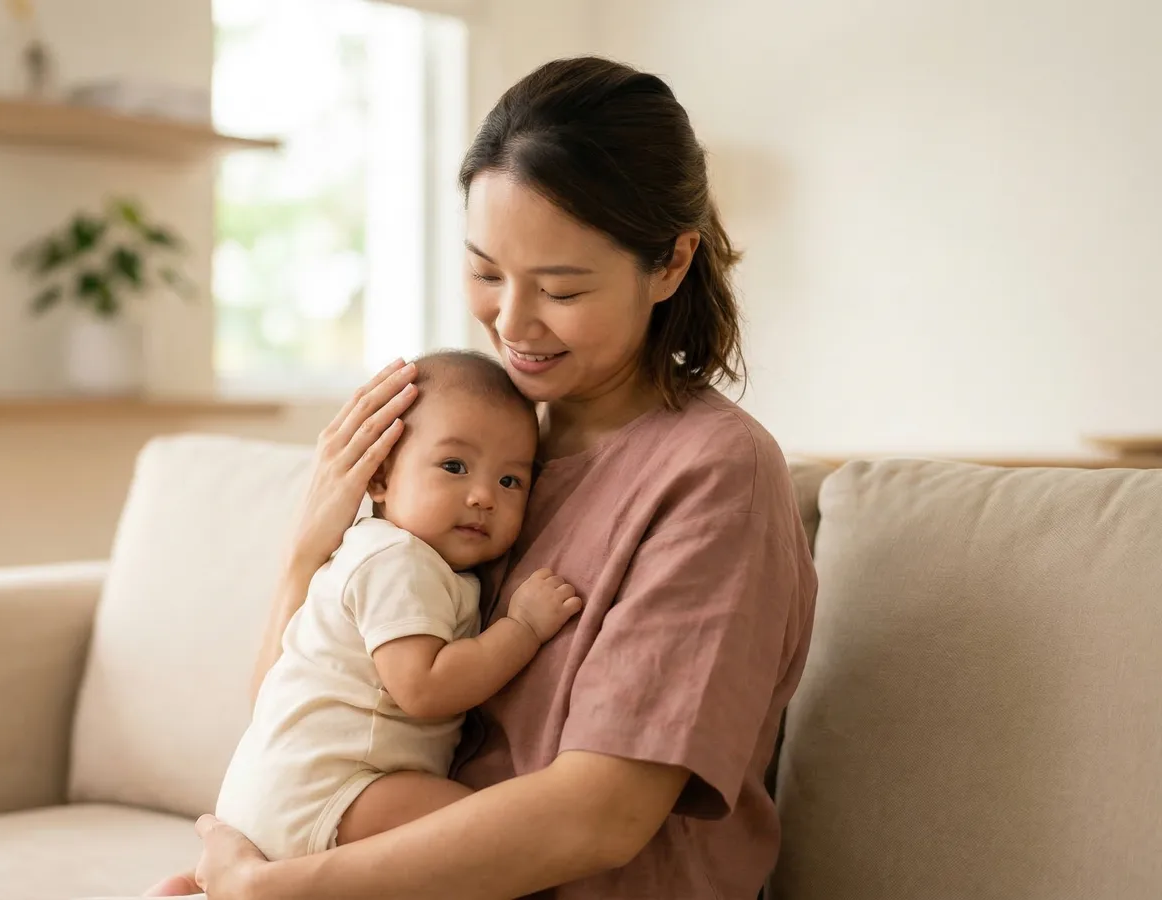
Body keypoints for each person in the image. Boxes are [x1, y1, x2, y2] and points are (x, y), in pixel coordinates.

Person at [186, 56, 817, 900]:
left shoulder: (715, 475)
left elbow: (600, 819)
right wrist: (310, 551)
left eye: (560, 287)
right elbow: (300, 717)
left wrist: (277, 890)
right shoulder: (478, 438)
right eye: (486, 273)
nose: (511, 324)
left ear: (669, 264)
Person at [207, 350, 582, 869]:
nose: (483, 497)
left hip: (287, 792)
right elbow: (425, 688)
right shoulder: (397, 560)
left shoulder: (404, 561)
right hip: (329, 790)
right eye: (454, 466)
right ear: (379, 479)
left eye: (510, 481)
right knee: (490, 834)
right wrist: (521, 628)